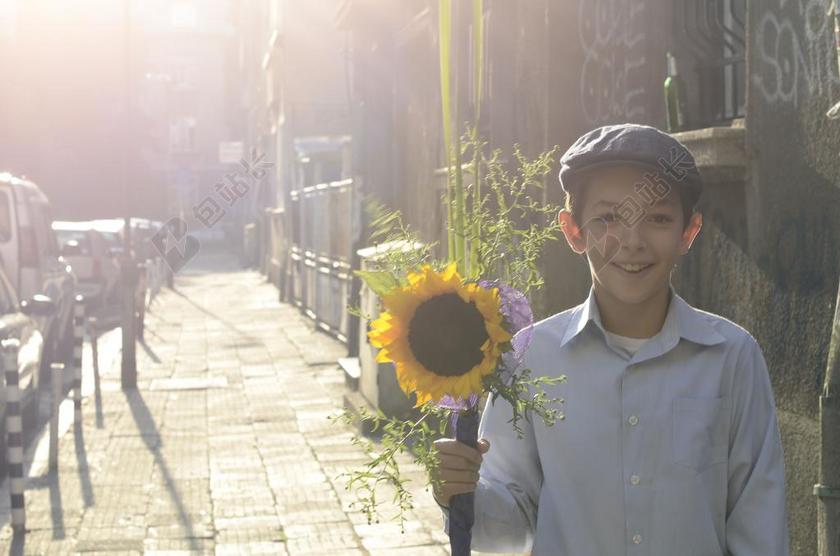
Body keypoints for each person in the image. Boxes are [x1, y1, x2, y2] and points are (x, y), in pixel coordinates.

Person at [431, 124, 791, 555]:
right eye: (607, 218)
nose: (632, 242)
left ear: (688, 231)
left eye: (657, 218)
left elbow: (759, 525)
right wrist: (460, 491)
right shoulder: (529, 359)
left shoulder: (732, 357)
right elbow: (506, 532)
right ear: (573, 230)